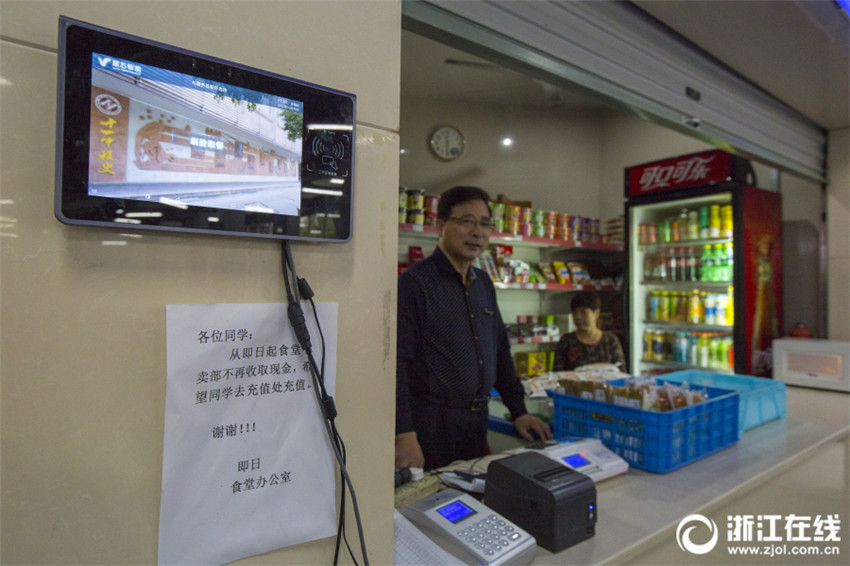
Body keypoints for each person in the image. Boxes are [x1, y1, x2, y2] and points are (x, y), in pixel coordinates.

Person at [395, 186, 552, 470]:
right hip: (431, 424)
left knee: (472, 502)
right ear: (441, 226)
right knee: (431, 507)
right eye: (466, 221)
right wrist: (403, 434)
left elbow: (500, 352)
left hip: (477, 423)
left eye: (484, 223)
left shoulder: (483, 283)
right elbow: (396, 364)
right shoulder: (415, 284)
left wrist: (519, 411)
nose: (477, 232)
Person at [553, 291, 625, 371]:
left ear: (596, 313)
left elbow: (622, 373)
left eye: (584, 312)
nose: (578, 317)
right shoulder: (566, 341)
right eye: (575, 312)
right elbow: (557, 374)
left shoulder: (610, 340)